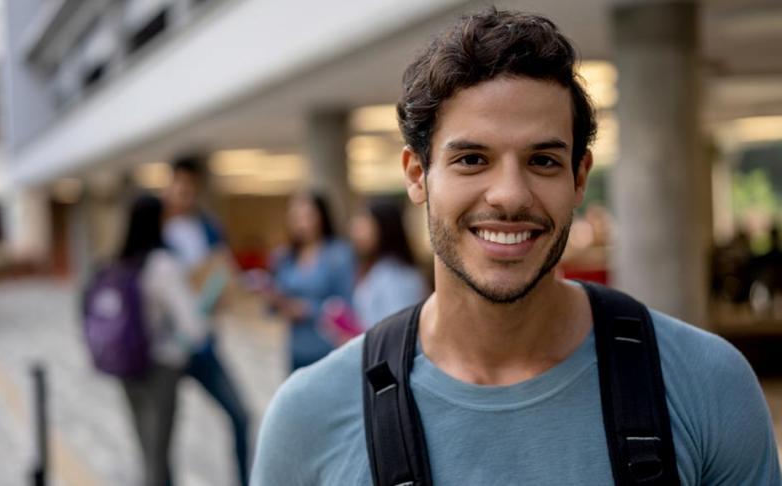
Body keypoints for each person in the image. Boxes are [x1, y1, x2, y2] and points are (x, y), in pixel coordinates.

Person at [251, 9, 780, 485]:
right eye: (472, 159)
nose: (509, 195)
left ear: (579, 179)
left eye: (544, 161)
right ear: (417, 175)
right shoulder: (310, 418)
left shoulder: (706, 385)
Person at [163, 155, 251, 486]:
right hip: (168, 347)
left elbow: (224, 274)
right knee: (163, 434)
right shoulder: (157, 231)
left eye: (190, 187)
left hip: (204, 343)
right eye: (179, 186)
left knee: (240, 416)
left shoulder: (208, 228)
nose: (184, 193)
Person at [116, 194, 208, 486]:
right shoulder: (162, 264)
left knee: (146, 450)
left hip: (125, 365)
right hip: (160, 367)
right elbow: (194, 327)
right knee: (160, 455)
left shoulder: (120, 261)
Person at [266, 190, 355, 371]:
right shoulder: (284, 257)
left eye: (307, 216)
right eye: (295, 216)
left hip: (329, 345)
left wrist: (308, 309)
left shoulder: (338, 254)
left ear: (321, 216)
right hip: (296, 347)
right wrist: (274, 301)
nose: (301, 222)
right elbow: (272, 308)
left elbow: (346, 304)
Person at [349, 198, 427, 328]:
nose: (356, 234)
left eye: (364, 227)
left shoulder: (396, 277)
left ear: (383, 228)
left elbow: (398, 330)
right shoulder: (377, 269)